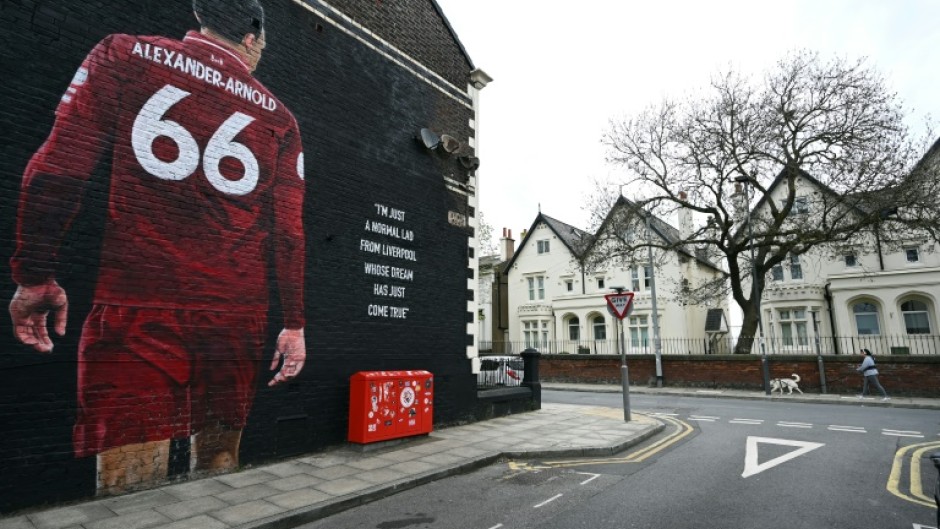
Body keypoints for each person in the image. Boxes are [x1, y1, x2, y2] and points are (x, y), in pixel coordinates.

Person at [8, 0, 306, 494]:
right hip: (236, 313)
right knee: (220, 458)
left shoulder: (124, 55)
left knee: (128, 472)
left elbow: (58, 167)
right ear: (252, 38)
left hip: (138, 300)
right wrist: (294, 322)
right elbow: (290, 233)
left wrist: (35, 272)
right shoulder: (278, 115)